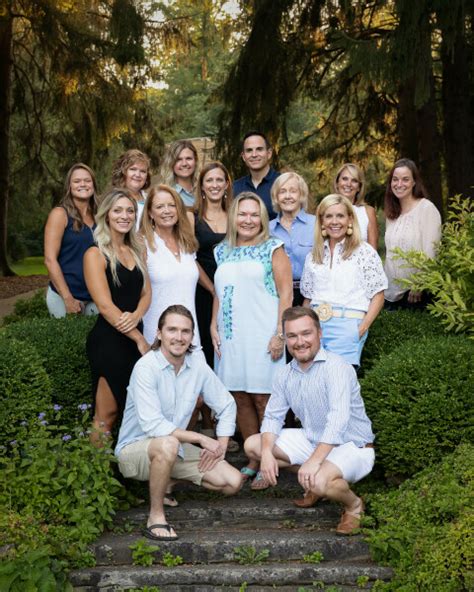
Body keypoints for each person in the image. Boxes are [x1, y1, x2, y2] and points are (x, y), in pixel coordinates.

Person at [115, 305, 242, 541]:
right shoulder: (146, 367)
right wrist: (201, 438)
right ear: (159, 333)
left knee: (232, 482)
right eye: (172, 330)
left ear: (192, 336)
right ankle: (155, 517)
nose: (179, 337)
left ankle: (167, 480)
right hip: (134, 451)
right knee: (168, 444)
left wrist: (221, 445)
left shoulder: (197, 367)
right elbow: (153, 425)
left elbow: (227, 404)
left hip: (173, 450)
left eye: (185, 331)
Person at [245, 306, 375, 534]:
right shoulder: (285, 373)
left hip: (352, 445)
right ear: (285, 339)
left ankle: (354, 505)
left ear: (319, 333)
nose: (300, 342)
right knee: (253, 445)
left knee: (320, 481)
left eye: (306, 333)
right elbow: (273, 416)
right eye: (292, 336)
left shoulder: (337, 368)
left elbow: (338, 421)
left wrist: (314, 462)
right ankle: (315, 478)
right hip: (313, 440)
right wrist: (266, 453)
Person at [211, 192, 293, 486]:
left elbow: (286, 293)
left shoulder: (273, 248)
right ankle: (253, 458)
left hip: (263, 334)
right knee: (238, 396)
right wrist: (212, 325)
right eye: (242, 214)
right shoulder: (221, 251)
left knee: (263, 398)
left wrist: (280, 334)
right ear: (234, 217)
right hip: (231, 336)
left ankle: (269, 457)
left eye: (254, 214)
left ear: (262, 219)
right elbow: (219, 292)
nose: (248, 220)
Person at [84, 188, 151, 441]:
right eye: (118, 210)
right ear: (107, 215)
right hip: (109, 341)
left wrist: (137, 315)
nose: (125, 216)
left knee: (133, 412)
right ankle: (95, 466)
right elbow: (105, 306)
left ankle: (124, 462)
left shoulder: (137, 250)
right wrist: (138, 338)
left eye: (130, 211)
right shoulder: (95, 254)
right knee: (106, 414)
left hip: (133, 335)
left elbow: (147, 293)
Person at [300, 194, 387, 367]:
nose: (334, 221)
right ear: (322, 221)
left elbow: (378, 295)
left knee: (338, 380)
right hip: (314, 328)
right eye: (329, 216)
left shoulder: (364, 252)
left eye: (340, 216)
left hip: (348, 326)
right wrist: (304, 329)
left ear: (350, 219)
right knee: (312, 380)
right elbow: (308, 299)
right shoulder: (313, 255)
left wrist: (361, 329)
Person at [140, 184, 210, 352]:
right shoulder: (143, 243)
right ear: (150, 213)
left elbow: (192, 268)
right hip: (157, 336)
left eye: (172, 205)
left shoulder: (186, 241)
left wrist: (214, 290)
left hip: (189, 335)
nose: (167, 211)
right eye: (159, 206)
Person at [384, 158, 442, 310]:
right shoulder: (391, 214)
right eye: (395, 179)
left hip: (416, 295)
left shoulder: (426, 209)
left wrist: (419, 283)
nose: (399, 184)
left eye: (405, 179)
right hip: (390, 295)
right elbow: (389, 255)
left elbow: (431, 252)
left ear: (414, 182)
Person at [191, 161, 233, 367]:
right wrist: (212, 289)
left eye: (219, 180)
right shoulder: (191, 217)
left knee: (230, 345)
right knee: (207, 344)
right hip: (203, 291)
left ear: (226, 184)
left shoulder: (236, 216)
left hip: (232, 292)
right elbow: (190, 258)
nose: (214, 185)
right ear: (201, 186)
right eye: (209, 180)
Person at [44, 163, 99, 318]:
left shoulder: (100, 215)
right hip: (65, 297)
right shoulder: (59, 214)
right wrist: (67, 298)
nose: (83, 184)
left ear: (93, 184)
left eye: (87, 180)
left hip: (96, 297)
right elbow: (50, 260)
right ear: (69, 186)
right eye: (77, 181)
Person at [269, 172, 316, 306]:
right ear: (276, 197)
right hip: (276, 294)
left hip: (311, 295)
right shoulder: (267, 229)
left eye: (293, 191)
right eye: (282, 191)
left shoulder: (316, 224)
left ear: (301, 195)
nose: (287, 196)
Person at [233, 131, 280, 219]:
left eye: (259, 149)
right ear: (243, 156)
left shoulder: (282, 184)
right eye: (249, 150)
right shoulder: (235, 188)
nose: (254, 155)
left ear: (269, 153)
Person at [333, 163, 379, 250]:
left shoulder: (368, 212)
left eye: (354, 181)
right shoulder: (326, 210)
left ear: (359, 187)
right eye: (345, 179)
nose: (348, 184)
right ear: (337, 183)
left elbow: (373, 252)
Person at [111, 149, 152, 228]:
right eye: (133, 169)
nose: (138, 175)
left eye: (143, 171)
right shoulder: (115, 199)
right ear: (123, 172)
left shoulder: (150, 198)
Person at [158, 140, 199, 208]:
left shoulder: (204, 189)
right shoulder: (165, 194)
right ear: (171, 163)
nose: (184, 164)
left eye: (188, 158)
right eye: (178, 159)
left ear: (195, 161)